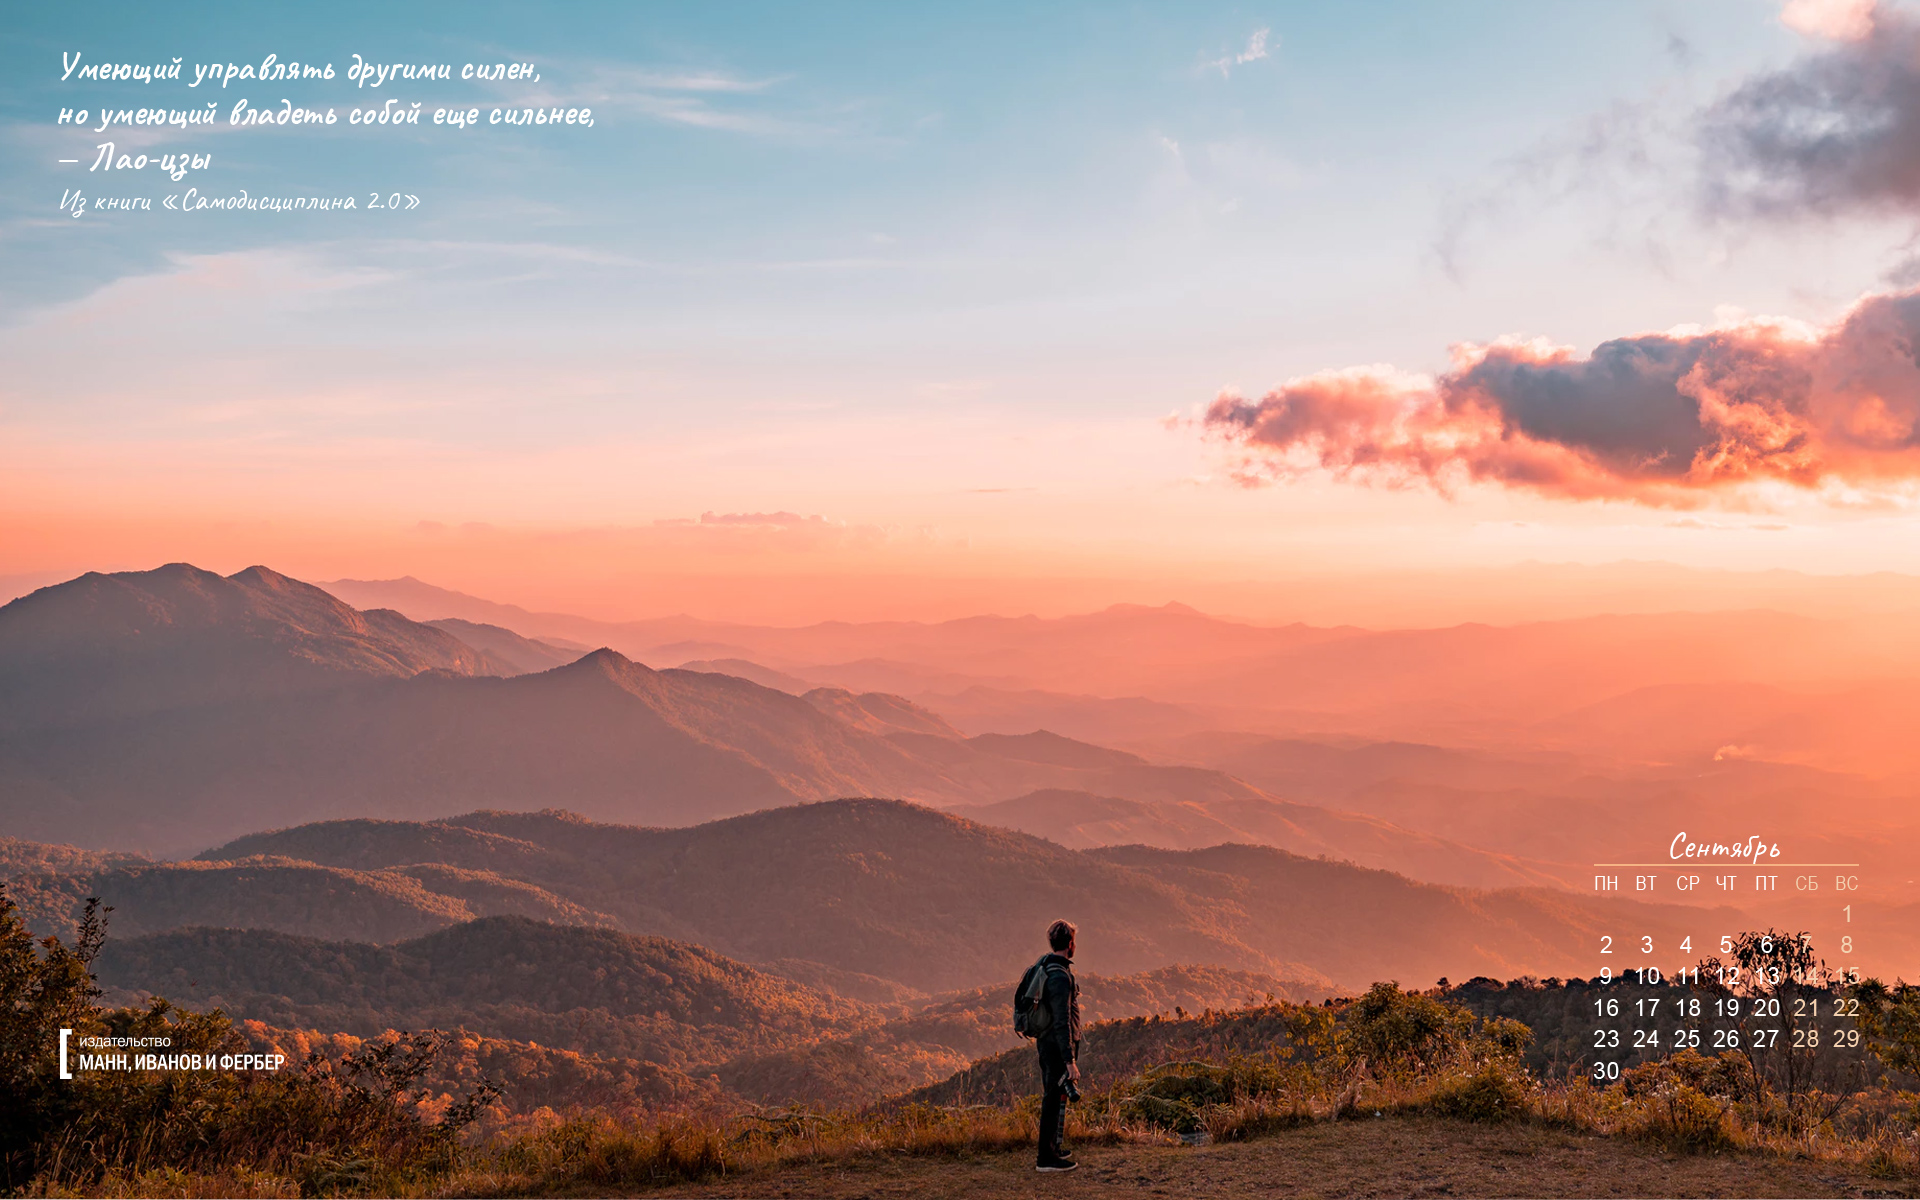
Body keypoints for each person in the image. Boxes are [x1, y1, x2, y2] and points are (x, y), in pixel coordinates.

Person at [1035, 918, 1082, 1172]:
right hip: (1056, 1047)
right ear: (1071, 944)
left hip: (1047, 1043)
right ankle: (1046, 1159)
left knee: (1056, 1096)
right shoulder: (1060, 976)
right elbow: (1062, 1021)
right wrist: (1070, 1060)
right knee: (1053, 1099)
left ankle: (1053, 1147)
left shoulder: (1048, 966)